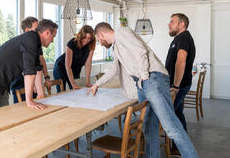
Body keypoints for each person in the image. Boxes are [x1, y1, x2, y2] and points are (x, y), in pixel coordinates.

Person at [88, 22, 199, 158]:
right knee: (149, 127)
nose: (99, 43)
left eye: (98, 40)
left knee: (171, 127)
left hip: (152, 78)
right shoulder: (116, 47)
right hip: (145, 82)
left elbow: (140, 50)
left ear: (101, 34)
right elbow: (114, 70)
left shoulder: (122, 32)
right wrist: (97, 84)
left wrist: (144, 77)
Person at [0, 19, 58, 110]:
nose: (52, 41)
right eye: (53, 37)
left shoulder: (35, 42)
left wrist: (41, 94)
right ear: (47, 32)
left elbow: (37, 69)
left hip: (1, 84)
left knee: (3, 118)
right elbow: (29, 72)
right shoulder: (31, 39)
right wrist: (29, 101)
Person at [165, 13, 196, 154]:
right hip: (179, 84)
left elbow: (181, 61)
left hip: (179, 85)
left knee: (170, 116)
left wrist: (175, 86)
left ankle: (181, 147)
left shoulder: (183, 38)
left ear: (181, 24)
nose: (169, 24)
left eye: (172, 22)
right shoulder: (179, 38)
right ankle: (179, 147)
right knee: (178, 113)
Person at [10, 17, 52, 103]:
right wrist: (31, 83)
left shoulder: (36, 43)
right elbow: (26, 65)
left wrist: (45, 78)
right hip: (18, 78)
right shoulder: (25, 42)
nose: (38, 32)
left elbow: (39, 63)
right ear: (27, 30)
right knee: (20, 107)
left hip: (31, 76)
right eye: (36, 29)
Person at [53, 25, 95, 92]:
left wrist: (88, 82)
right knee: (61, 92)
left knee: (76, 92)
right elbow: (68, 66)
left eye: (89, 38)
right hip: (61, 67)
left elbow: (88, 65)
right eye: (85, 38)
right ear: (81, 36)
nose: (87, 40)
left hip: (75, 70)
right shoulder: (72, 43)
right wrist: (73, 83)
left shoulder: (91, 45)